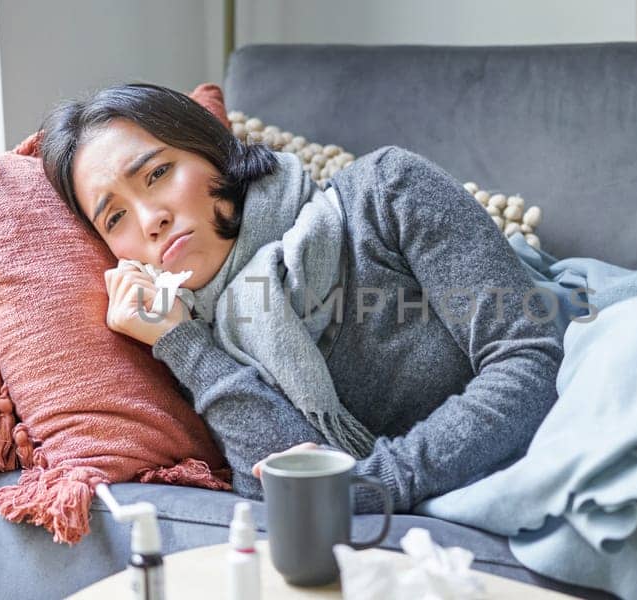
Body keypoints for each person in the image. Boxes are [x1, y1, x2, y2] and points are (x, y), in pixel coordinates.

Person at [39, 83, 565, 513]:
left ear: (212, 152)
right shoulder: (203, 334)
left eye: (157, 174)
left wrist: (373, 483)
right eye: (115, 217)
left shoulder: (385, 192)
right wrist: (182, 344)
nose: (150, 218)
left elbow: (532, 359)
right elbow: (278, 489)